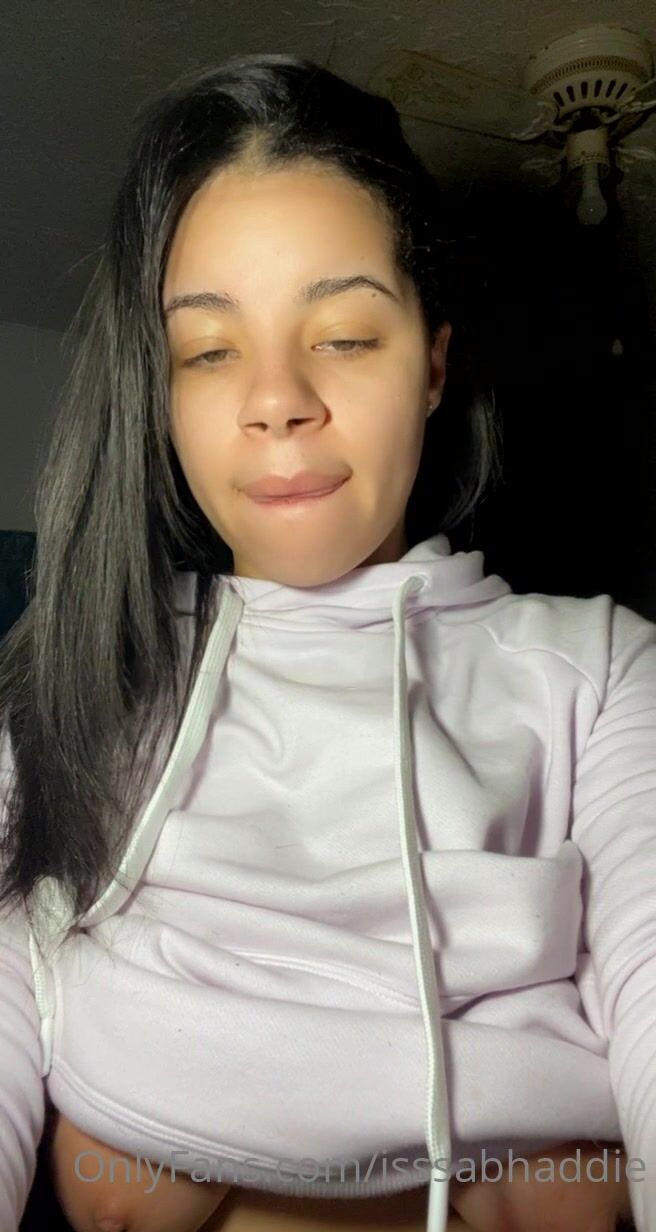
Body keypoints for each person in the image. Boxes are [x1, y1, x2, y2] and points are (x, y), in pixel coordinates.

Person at [0, 51, 653, 1232]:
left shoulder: (601, 674)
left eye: (344, 334)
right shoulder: (80, 682)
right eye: (209, 349)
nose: (275, 398)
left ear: (432, 364)